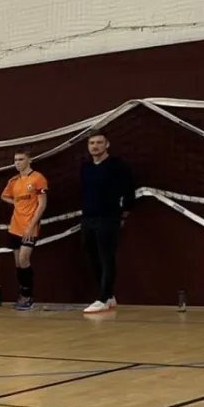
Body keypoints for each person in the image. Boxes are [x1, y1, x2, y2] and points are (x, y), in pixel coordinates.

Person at [80, 131, 135, 315]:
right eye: (92, 143)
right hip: (88, 218)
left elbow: (129, 191)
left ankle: (102, 298)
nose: (95, 146)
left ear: (107, 144)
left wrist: (123, 214)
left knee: (107, 258)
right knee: (93, 256)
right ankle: (109, 295)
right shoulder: (86, 168)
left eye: (99, 142)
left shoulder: (118, 166)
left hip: (108, 218)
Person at [0, 151, 48, 311]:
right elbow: (4, 196)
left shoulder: (37, 178)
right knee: (17, 263)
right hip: (15, 226)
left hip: (30, 226)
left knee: (24, 259)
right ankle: (23, 294)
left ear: (29, 160)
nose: (18, 162)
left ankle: (29, 296)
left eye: (21, 159)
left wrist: (31, 225)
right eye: (15, 160)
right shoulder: (14, 181)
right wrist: (16, 203)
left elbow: (42, 204)